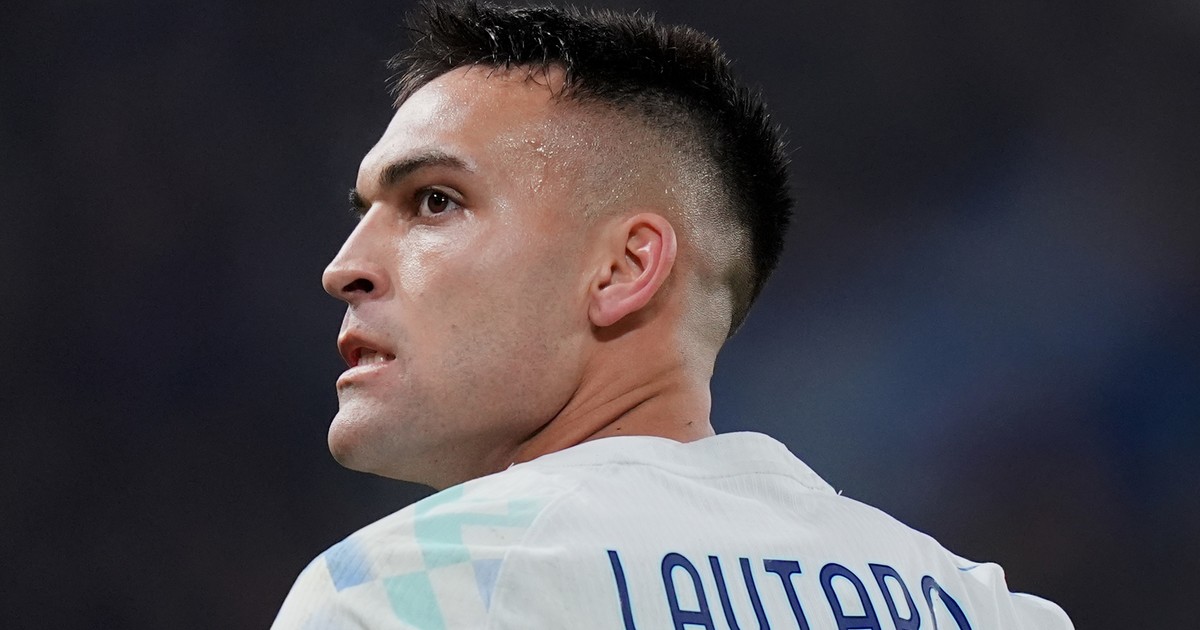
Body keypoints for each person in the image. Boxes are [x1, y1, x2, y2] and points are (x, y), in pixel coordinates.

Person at [273, 1, 1074, 628]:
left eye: (434, 201)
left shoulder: (403, 592)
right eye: (364, 212)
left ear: (624, 269)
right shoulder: (980, 608)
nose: (344, 268)